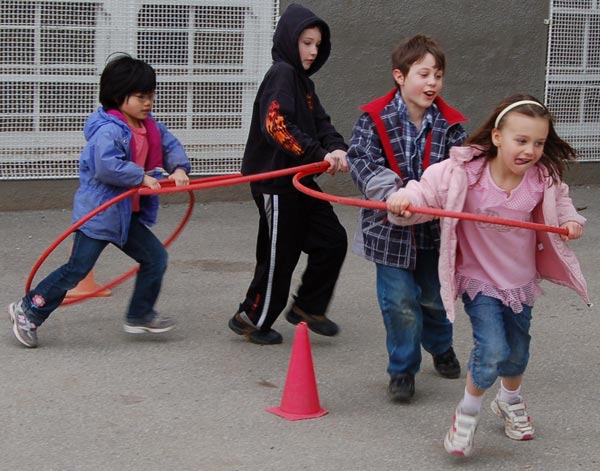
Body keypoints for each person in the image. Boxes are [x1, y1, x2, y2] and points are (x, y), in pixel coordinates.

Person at [386, 95, 589, 456]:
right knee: (492, 349)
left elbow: (561, 202)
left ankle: (509, 399)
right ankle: (467, 414)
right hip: (479, 280)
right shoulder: (465, 173)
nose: (530, 151)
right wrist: (404, 201)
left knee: (517, 352)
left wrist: (570, 221)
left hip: (520, 281)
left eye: (538, 143)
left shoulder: (541, 178)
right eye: (521, 140)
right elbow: (426, 191)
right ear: (497, 137)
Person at [8, 54, 191, 348]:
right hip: (99, 214)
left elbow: (170, 146)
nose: (148, 103)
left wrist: (179, 168)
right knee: (77, 270)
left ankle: (139, 314)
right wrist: (140, 176)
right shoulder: (109, 130)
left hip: (125, 214)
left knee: (155, 257)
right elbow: (106, 166)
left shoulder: (150, 126)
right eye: (141, 97)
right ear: (118, 96)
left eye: (150, 96)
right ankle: (29, 308)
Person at [346, 34, 466, 402]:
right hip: (388, 232)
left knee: (433, 299)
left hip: (432, 231)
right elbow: (360, 160)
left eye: (438, 76)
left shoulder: (451, 125)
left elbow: (460, 171)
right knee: (399, 302)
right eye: (424, 74)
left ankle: (440, 345)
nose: (432, 83)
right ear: (400, 76)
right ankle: (402, 369)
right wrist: (392, 194)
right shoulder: (373, 118)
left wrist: (430, 197)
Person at [229, 3, 348, 345]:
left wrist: (336, 147)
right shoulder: (281, 74)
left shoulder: (302, 83)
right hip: (275, 182)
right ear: (288, 40)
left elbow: (322, 124)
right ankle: (252, 317)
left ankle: (308, 307)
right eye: (306, 43)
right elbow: (276, 125)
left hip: (299, 180)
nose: (313, 51)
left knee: (332, 240)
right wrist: (319, 154)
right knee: (280, 254)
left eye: (317, 45)